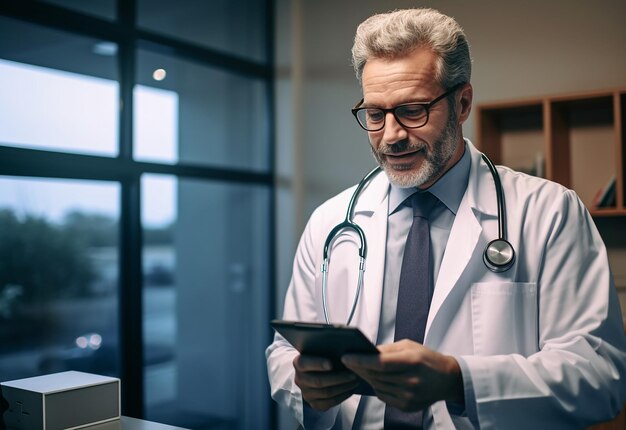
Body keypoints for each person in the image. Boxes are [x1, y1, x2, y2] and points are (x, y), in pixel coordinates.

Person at [266, 7, 626, 430]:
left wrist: (459, 381)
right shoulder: (330, 222)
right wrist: (305, 386)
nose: (392, 136)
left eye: (413, 111)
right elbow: (281, 353)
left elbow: (600, 375)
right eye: (376, 114)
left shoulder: (549, 213)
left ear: (463, 103)